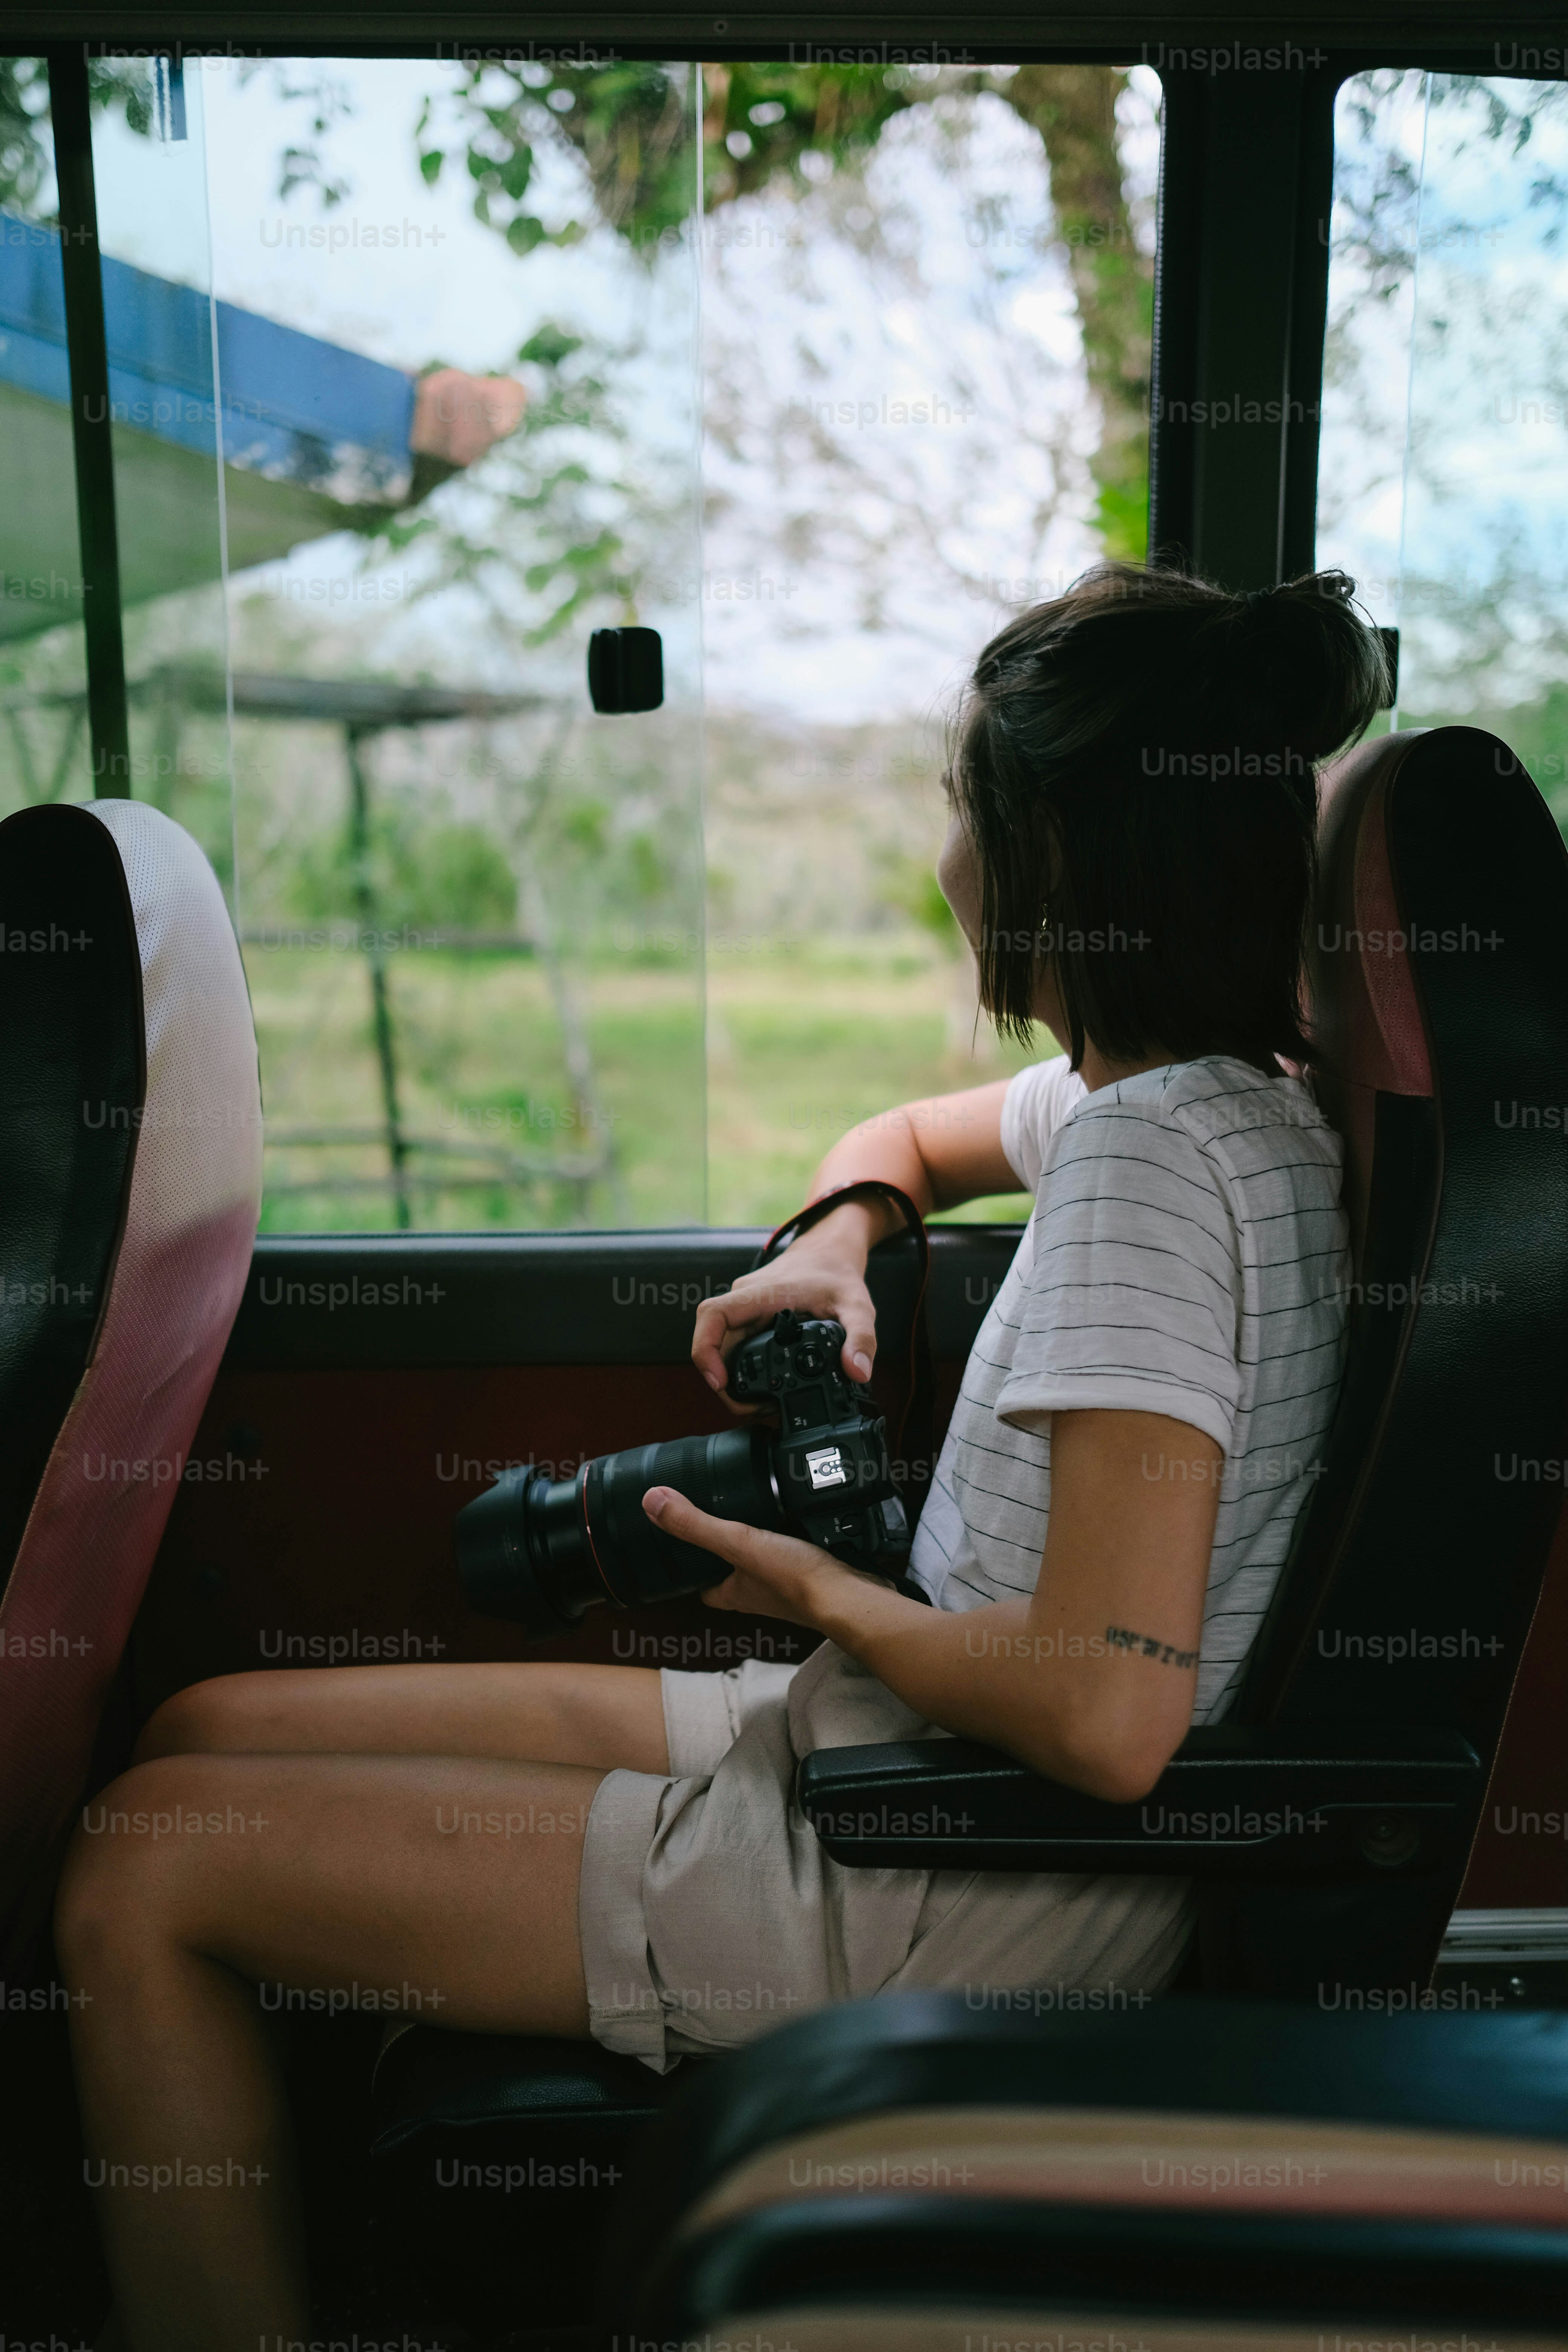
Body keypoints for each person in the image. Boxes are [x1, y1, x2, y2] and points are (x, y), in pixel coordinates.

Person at [57, 562, 1388, 2352]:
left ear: (1053, 859)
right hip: (900, 1767)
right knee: (203, 1732)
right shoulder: (1201, 1104)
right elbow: (913, 1133)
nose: (942, 854)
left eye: (955, 804)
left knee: (145, 1865)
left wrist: (816, 1585)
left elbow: (1101, 1707)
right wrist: (837, 1236)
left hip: (945, 1890)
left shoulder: (1152, 1172)